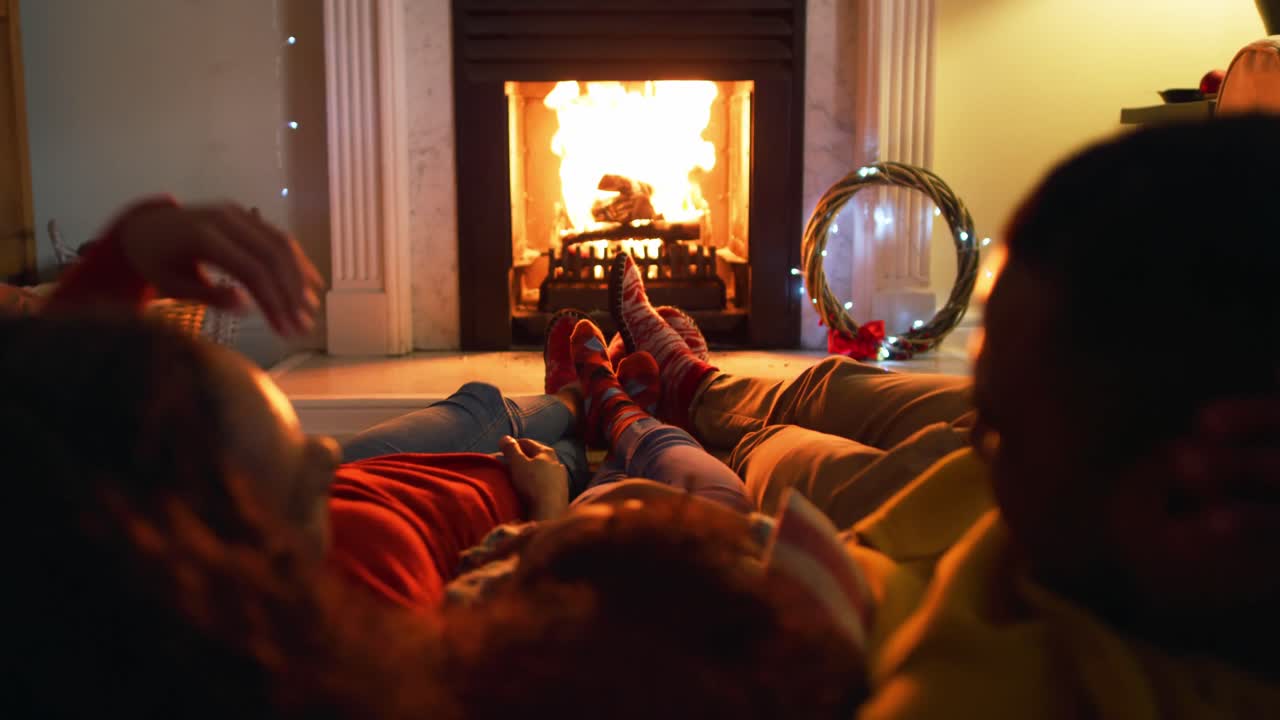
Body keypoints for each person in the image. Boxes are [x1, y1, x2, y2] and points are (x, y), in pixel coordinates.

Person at [6, 196, 868, 718]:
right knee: (670, 497)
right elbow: (508, 598)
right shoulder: (371, 645)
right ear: (235, 564)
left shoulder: (87, 557)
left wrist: (130, 253)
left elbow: (56, 419)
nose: (317, 459)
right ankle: (625, 410)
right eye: (292, 473)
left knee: (472, 406)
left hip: (396, 479)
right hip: (507, 487)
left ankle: (577, 393)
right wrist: (547, 510)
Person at [607, 115, 1280, 717]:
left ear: (1205, 487)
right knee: (835, 383)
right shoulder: (1145, 505)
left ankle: (688, 410)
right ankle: (700, 384)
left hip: (923, 532)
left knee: (782, 447)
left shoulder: (981, 689)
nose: (976, 440)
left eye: (999, 431)